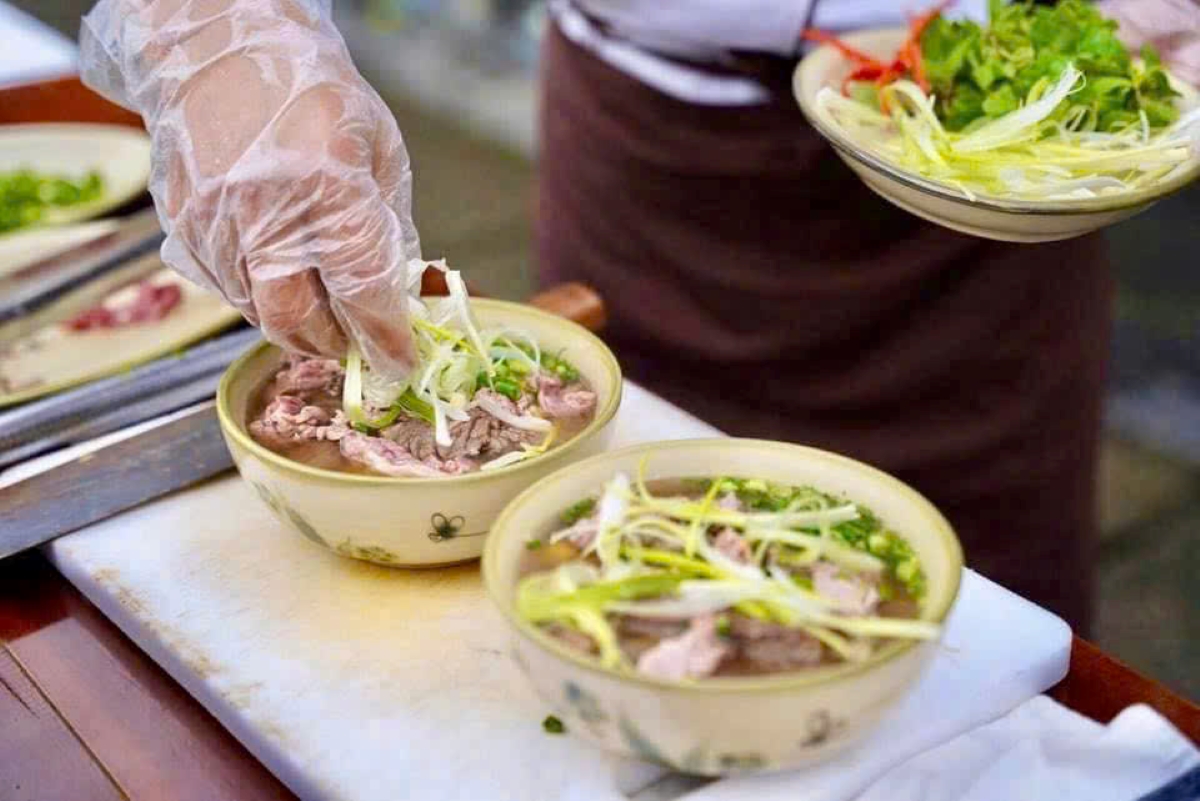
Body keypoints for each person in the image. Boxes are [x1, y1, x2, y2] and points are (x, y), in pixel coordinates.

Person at [79, 0, 1198, 634]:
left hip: (1017, 143)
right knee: (600, 579)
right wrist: (218, 32)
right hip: (653, 138)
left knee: (983, 634)